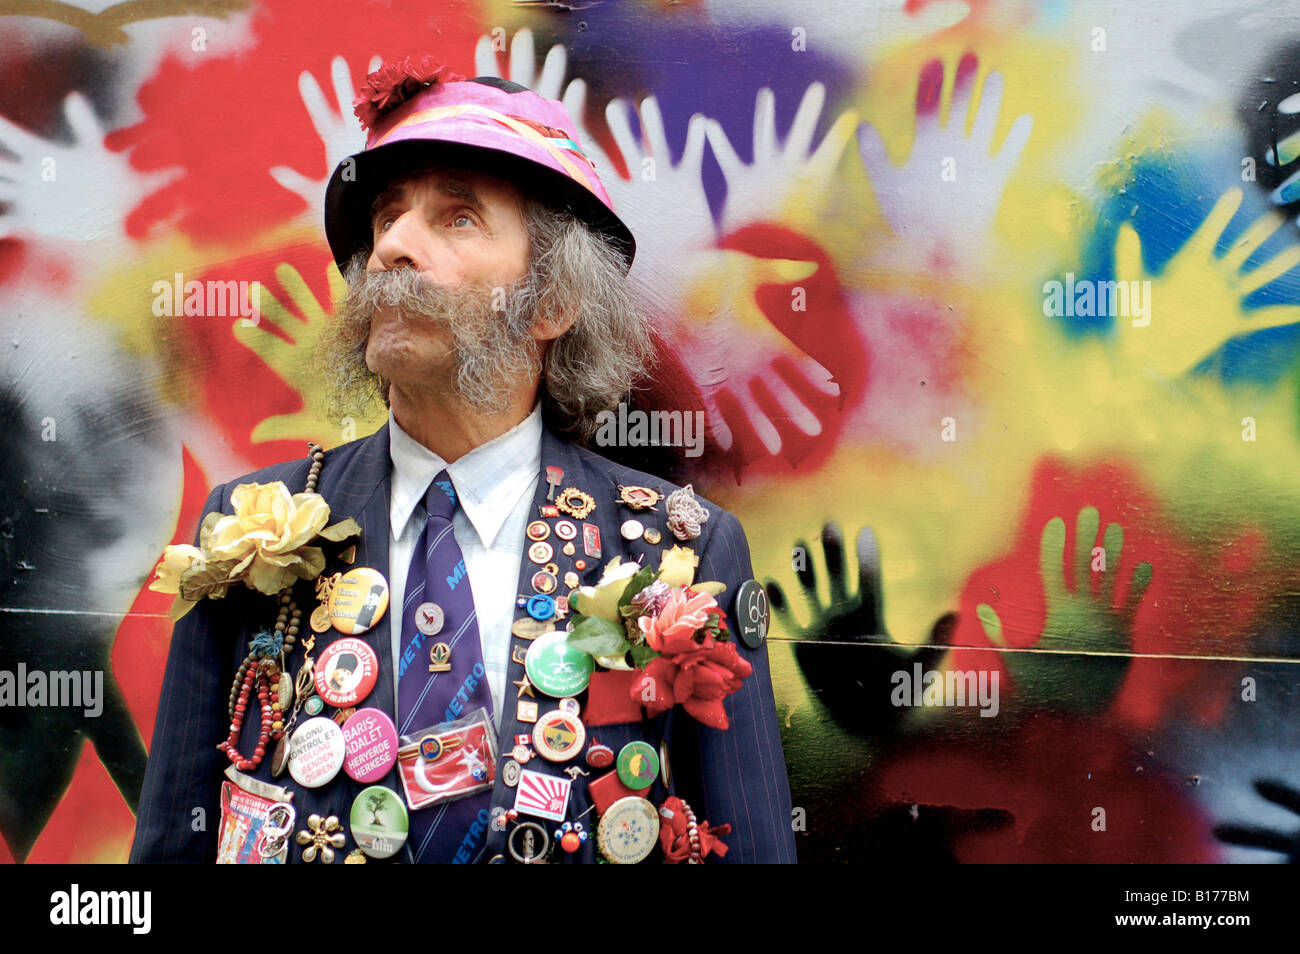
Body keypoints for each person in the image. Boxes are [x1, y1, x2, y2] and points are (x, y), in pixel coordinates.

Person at [130, 57, 796, 864]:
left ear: (552, 302)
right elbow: (171, 845)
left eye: (457, 218)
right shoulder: (248, 536)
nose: (392, 250)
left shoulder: (676, 552)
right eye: (385, 219)